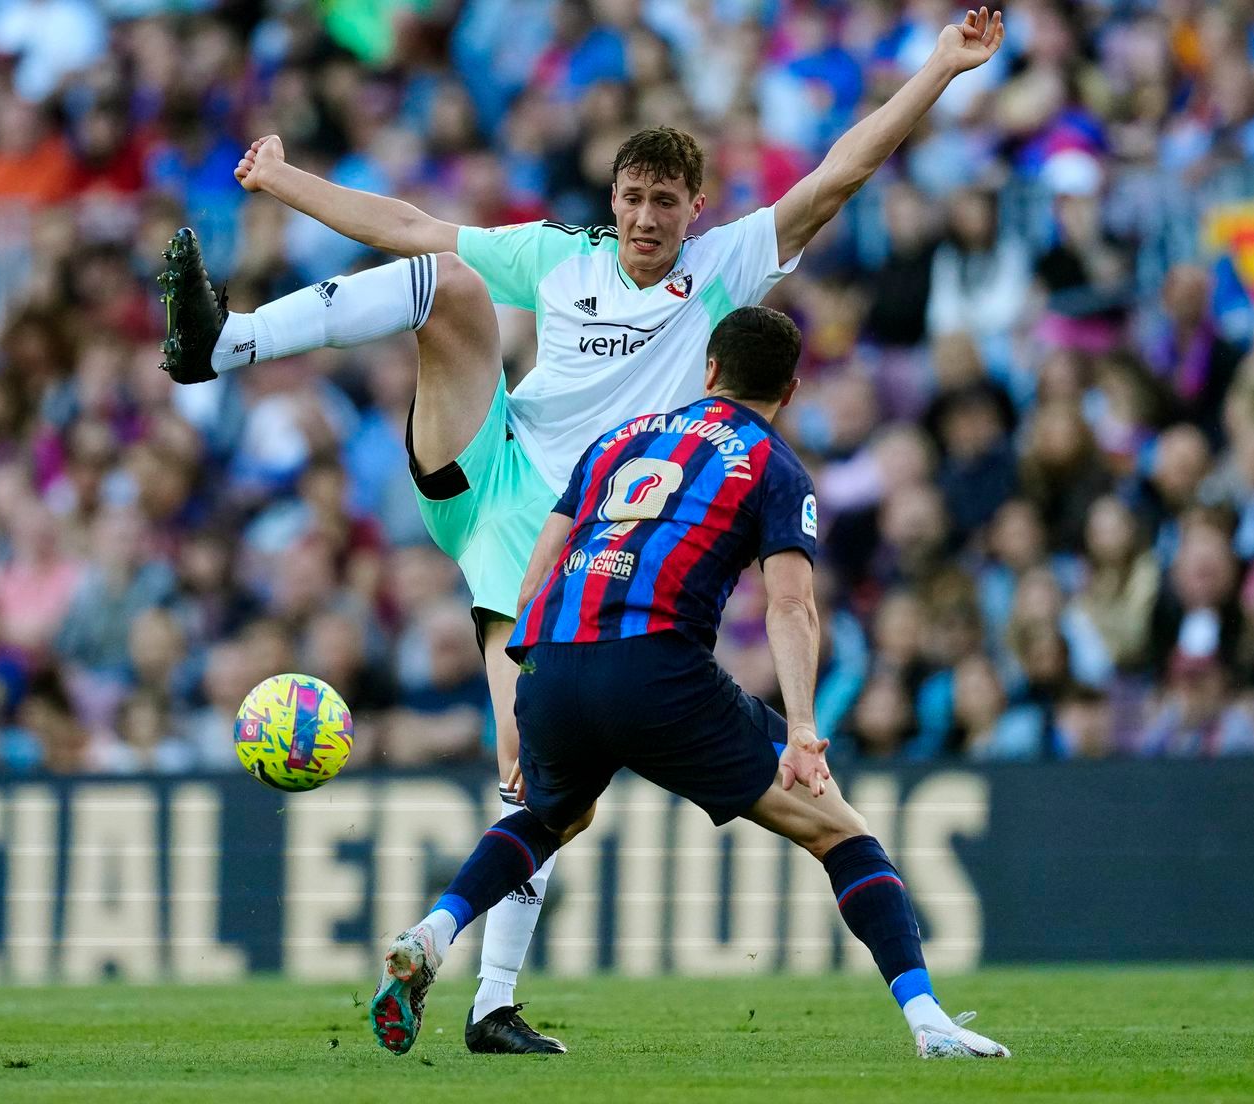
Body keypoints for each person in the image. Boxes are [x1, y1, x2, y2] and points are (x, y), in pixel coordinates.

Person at [157, 9, 1006, 1053]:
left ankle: (487, 1003)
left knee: (542, 786)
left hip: (570, 544)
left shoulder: (727, 269)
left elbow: (835, 175)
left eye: (664, 201)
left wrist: (936, 70)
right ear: (611, 201)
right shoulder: (559, 257)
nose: (647, 218)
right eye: (632, 198)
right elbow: (407, 223)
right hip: (491, 472)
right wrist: (284, 184)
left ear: (695, 209)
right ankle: (225, 342)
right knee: (446, 277)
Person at [367, 307, 1011, 1060]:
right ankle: (929, 1020)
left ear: (709, 370)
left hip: (553, 658)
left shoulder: (622, 439)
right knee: (841, 832)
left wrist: (523, 679)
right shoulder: (775, 467)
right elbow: (793, 606)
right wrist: (802, 729)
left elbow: (541, 562)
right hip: (654, 666)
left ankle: (432, 933)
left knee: (549, 818)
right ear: (792, 391)